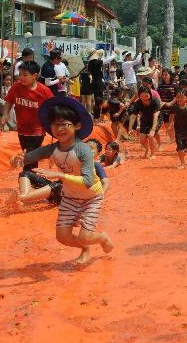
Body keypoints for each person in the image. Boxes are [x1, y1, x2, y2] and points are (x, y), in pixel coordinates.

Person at [10, 96, 114, 264]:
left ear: (77, 126)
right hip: (70, 197)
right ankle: (85, 247)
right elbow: (25, 159)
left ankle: (102, 238)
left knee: (86, 235)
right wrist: (16, 160)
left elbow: (88, 181)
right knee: (62, 237)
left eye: (64, 124)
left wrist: (60, 176)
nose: (59, 129)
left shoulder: (84, 150)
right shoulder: (53, 148)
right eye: (55, 124)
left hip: (91, 197)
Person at [0, 60, 54, 171]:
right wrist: (5, 115)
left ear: (34, 76)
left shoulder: (44, 91)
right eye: (20, 74)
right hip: (22, 129)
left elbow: (53, 106)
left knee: (30, 157)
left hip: (37, 130)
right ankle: (33, 179)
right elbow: (9, 101)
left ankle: (28, 178)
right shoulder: (16, 87)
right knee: (28, 156)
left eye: (25, 75)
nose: (21, 78)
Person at [131, 87, 161, 159]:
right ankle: (147, 149)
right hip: (145, 118)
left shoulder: (155, 101)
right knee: (142, 138)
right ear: (139, 96)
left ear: (150, 95)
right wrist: (130, 128)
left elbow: (155, 116)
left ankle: (153, 154)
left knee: (151, 136)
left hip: (157, 118)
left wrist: (153, 129)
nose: (145, 98)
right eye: (142, 96)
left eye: (147, 96)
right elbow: (133, 116)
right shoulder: (138, 103)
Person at [169, 89, 187, 169]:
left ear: (186, 98)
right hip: (178, 131)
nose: (179, 99)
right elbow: (171, 116)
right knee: (180, 148)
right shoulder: (174, 107)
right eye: (178, 97)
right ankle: (182, 163)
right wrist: (170, 125)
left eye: (181, 97)